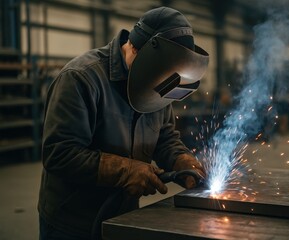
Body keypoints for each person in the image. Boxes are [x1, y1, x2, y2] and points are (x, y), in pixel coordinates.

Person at [38, 6, 209, 240]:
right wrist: (126, 171)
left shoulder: (160, 81)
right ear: (138, 51)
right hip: (72, 224)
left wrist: (181, 160)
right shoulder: (80, 78)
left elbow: (165, 138)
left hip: (124, 217)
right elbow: (59, 153)